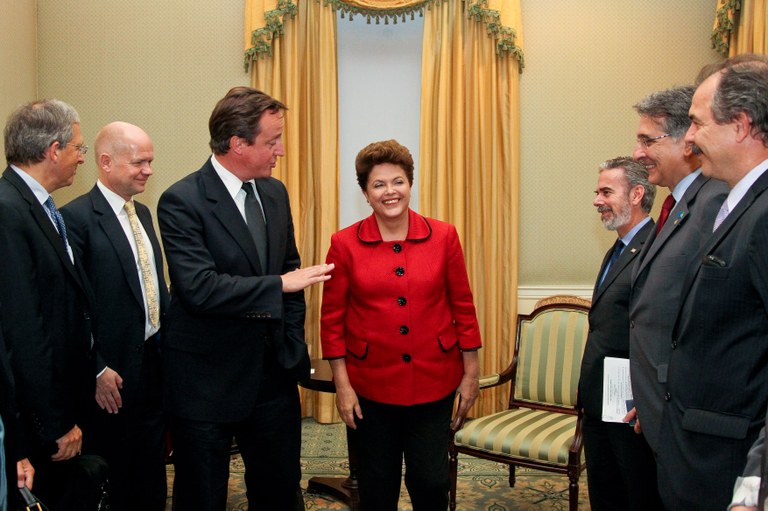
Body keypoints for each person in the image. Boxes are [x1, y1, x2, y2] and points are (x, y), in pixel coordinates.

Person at [157, 86, 333, 511]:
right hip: (206, 382)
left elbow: (291, 270)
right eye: (273, 141)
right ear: (238, 143)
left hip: (272, 377)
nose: (281, 150)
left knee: (280, 492)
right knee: (202, 496)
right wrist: (278, 286)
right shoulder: (181, 201)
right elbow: (200, 288)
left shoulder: (274, 193)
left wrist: (291, 341)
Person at [320, 139, 482, 511]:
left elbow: (463, 306)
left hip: (434, 381)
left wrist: (471, 374)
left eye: (398, 182)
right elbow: (332, 321)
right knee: (377, 485)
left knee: (431, 481)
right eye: (378, 184)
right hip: (370, 387)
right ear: (365, 193)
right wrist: (342, 386)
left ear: (410, 184)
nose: (390, 191)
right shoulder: (343, 244)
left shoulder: (444, 236)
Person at [653, 57, 768, 510]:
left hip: (727, 464)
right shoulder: (735, 203)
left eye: (698, 123)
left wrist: (755, 486)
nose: (689, 137)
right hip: (696, 450)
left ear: (740, 125)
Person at [60, 121, 168, 511]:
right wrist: (97, 367)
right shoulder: (75, 219)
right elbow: (72, 307)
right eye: (139, 162)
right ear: (106, 162)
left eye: (150, 162)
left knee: (152, 471)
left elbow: (154, 287)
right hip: (110, 377)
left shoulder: (144, 214)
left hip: (153, 363)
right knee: (117, 476)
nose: (148, 170)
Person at [0, 99, 96, 510]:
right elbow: (24, 329)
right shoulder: (8, 211)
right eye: (78, 147)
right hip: (39, 422)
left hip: (63, 399)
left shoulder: (36, 205)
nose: (81, 157)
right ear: (53, 150)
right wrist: (54, 422)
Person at [626, 86, 728, 453]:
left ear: (686, 141)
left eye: (647, 141)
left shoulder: (715, 202)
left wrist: (670, 395)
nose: (637, 153)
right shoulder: (677, 205)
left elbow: (711, 317)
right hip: (661, 401)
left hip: (687, 409)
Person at [578, 157, 660, 510]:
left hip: (630, 406)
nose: (597, 200)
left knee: (635, 494)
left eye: (606, 192)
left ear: (637, 194)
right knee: (605, 491)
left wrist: (648, 395)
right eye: (598, 192)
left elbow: (660, 329)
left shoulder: (655, 248)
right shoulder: (619, 248)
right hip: (601, 399)